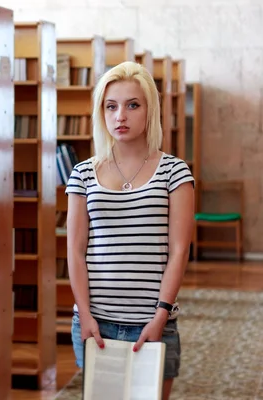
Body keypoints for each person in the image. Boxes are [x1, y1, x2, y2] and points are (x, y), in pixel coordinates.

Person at [65, 61, 194, 400]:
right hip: (96, 323)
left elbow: (179, 251)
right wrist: (86, 315)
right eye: (111, 106)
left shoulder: (174, 172)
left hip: (153, 322)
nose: (120, 115)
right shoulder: (83, 173)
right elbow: (75, 252)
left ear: (149, 110)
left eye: (132, 105)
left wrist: (160, 316)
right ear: (101, 113)